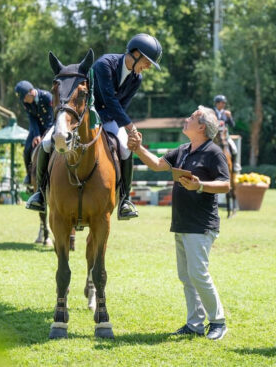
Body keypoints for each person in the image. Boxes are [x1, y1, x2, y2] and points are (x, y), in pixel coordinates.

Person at [25, 33, 162, 217]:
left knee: (125, 148)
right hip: (84, 116)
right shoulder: (105, 65)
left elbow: (122, 106)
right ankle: (40, 194)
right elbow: (109, 99)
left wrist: (124, 127)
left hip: (110, 118)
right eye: (147, 61)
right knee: (47, 142)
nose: (148, 67)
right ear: (136, 53)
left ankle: (124, 200)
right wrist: (131, 127)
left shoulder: (136, 79)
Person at [128, 106, 230, 340]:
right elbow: (156, 164)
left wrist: (200, 186)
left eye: (192, 118)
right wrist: (138, 148)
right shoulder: (183, 150)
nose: (186, 119)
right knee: (187, 276)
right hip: (182, 223)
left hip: (201, 224)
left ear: (202, 127)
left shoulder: (214, 153)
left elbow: (225, 184)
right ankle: (195, 323)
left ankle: (218, 321)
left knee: (198, 274)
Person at [14, 80, 54, 187]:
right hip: (36, 129)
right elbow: (32, 118)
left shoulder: (47, 97)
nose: (24, 101)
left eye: (25, 97)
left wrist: (45, 134)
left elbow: (52, 117)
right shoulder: (26, 103)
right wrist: (36, 135)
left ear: (31, 92)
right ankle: (29, 175)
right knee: (27, 149)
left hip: (51, 127)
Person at [213, 95, 240, 172]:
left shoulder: (226, 113)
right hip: (213, 136)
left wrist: (230, 117)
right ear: (217, 103)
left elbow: (232, 125)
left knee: (234, 149)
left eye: (224, 103)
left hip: (224, 136)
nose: (224, 105)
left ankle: (235, 165)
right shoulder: (211, 113)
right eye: (222, 103)